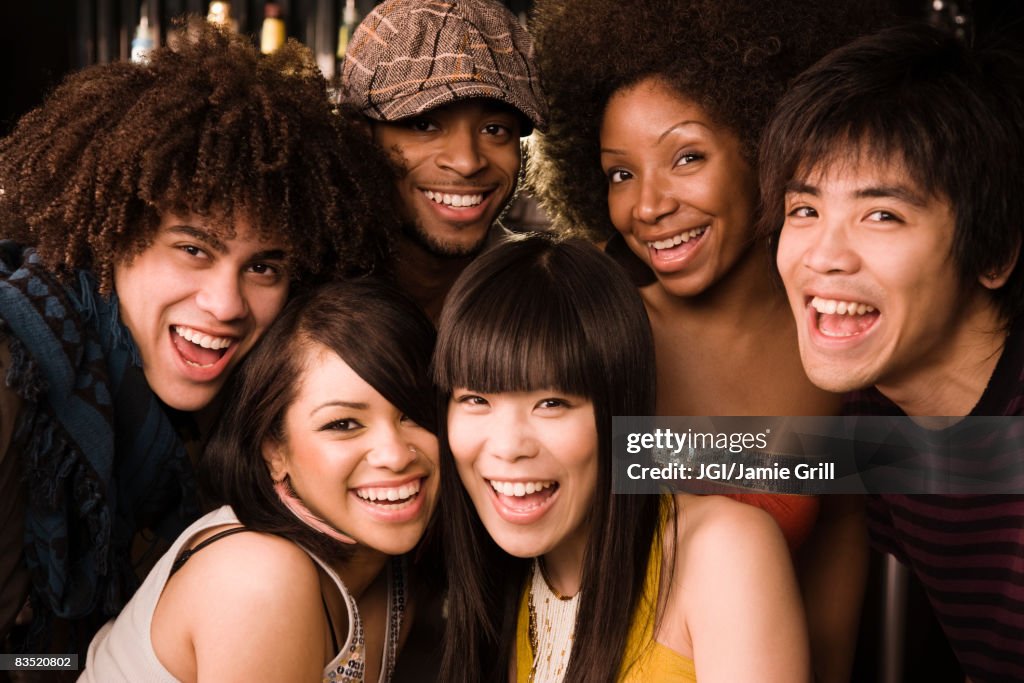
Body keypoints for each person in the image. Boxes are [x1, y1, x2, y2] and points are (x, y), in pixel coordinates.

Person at [0, 25, 402, 652]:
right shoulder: (16, 362)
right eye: (192, 249)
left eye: (263, 266)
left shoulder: (227, 416)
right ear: (112, 237)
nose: (225, 304)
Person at [528, 3, 889, 679]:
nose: (648, 205)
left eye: (686, 156)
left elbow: (837, 576)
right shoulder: (596, 340)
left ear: (765, 143)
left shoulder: (839, 343)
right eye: (619, 173)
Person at [759, 23, 1024, 682]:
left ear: (992, 251)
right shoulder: (876, 418)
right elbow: (707, 457)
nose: (824, 255)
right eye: (804, 209)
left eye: (882, 215)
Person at [435, 233, 809, 682]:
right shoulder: (503, 580)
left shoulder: (722, 550)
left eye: (552, 403)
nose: (509, 446)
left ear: (619, 410)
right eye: (476, 399)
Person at [79, 279, 438, 681]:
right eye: (343, 424)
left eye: (414, 411)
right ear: (274, 452)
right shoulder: (257, 577)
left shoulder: (400, 572)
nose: (394, 454)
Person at [337, 0, 548, 322]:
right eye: (424, 125)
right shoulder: (295, 296)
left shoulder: (547, 301)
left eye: (494, 129)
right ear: (360, 136)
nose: (466, 162)